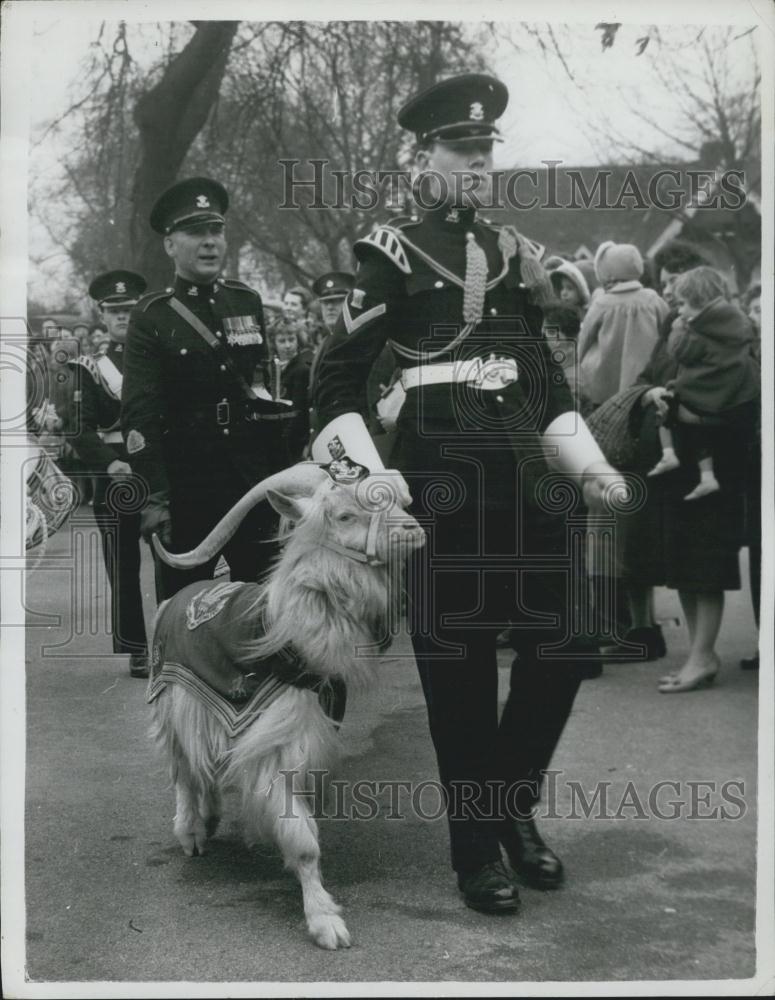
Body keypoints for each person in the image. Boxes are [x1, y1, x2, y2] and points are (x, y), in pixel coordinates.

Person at [313, 73, 624, 914]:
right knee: (457, 686)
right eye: (463, 149)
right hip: (442, 496)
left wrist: (589, 465)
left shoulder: (518, 255)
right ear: (425, 159)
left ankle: (512, 808)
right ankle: (475, 849)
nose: (480, 163)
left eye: (488, 150)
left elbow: (548, 385)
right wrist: (365, 476)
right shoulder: (389, 253)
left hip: (528, 493)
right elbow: (331, 384)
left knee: (559, 655)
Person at [121, 177, 288, 600]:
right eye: (196, 232)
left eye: (216, 230)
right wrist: (154, 496)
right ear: (170, 245)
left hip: (250, 480)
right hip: (187, 486)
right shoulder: (151, 316)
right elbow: (140, 413)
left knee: (263, 604)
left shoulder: (245, 301)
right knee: (184, 609)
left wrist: (280, 476)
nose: (210, 242)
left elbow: (260, 391)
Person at [623, 241, 756, 692]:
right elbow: (650, 377)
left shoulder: (735, 338)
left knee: (705, 565)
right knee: (682, 563)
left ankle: (703, 656)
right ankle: (699, 656)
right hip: (679, 463)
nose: (668, 296)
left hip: (712, 467)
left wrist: (688, 408)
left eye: (673, 288)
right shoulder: (673, 327)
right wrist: (651, 395)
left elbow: (741, 402)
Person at [67, 271, 150, 676]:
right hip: (114, 475)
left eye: (130, 311)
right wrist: (108, 462)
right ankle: (137, 648)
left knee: (179, 561)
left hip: (158, 469)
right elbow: (77, 427)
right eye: (115, 312)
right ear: (102, 315)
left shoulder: (159, 357)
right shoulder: (89, 367)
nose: (123, 318)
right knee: (123, 565)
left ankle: (183, 642)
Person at [647, 266, 759, 501]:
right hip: (736, 400)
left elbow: (678, 352)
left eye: (683, 304)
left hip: (702, 399)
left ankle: (670, 455)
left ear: (699, 302)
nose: (680, 310)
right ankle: (709, 479)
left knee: (667, 403)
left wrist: (678, 326)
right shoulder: (741, 321)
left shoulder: (695, 329)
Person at [577, 241, 669, 410]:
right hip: (645, 380)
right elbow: (667, 330)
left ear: (609, 273)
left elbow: (585, 340)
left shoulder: (602, 303)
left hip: (604, 383)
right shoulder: (652, 299)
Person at [266, 321, 311, 463]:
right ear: (274, 344)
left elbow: (298, 414)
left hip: (293, 442)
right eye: (282, 341)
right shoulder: (274, 366)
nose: (287, 345)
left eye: (291, 339)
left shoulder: (301, 369)